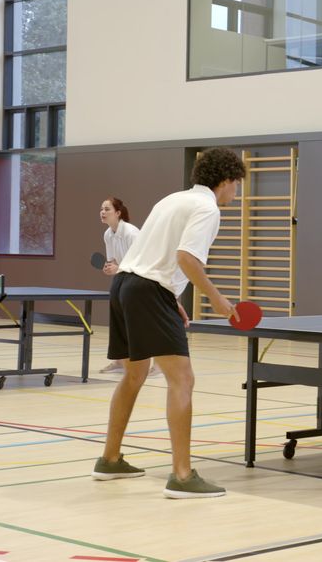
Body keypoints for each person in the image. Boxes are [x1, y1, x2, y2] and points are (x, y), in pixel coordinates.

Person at [91, 147, 243, 499]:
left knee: (134, 374)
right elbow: (186, 258)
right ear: (225, 181)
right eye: (237, 184)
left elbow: (148, 256)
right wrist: (217, 299)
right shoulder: (207, 209)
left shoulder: (171, 200)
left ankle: (110, 459)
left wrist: (172, 300)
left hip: (125, 285)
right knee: (183, 378)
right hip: (148, 291)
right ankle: (183, 476)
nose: (237, 191)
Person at [98, 197, 140, 373]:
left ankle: (144, 362)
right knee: (116, 319)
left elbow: (140, 262)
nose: (102, 212)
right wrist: (109, 267)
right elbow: (113, 261)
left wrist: (118, 267)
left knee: (135, 322)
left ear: (118, 213)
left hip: (138, 279)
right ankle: (119, 360)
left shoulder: (132, 233)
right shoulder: (108, 234)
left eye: (107, 209)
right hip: (121, 278)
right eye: (101, 209)